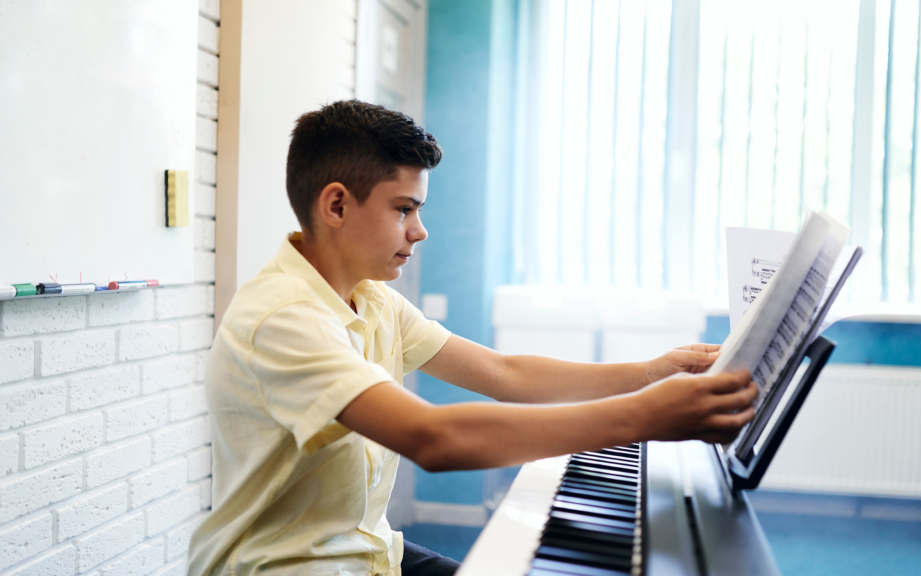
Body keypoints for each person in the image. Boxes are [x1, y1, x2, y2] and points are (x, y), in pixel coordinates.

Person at [187, 100, 756, 576]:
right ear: (336, 203)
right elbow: (433, 439)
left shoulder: (371, 297)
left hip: (366, 555)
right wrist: (646, 414)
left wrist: (653, 372)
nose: (420, 229)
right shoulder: (283, 318)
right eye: (404, 209)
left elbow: (503, 374)